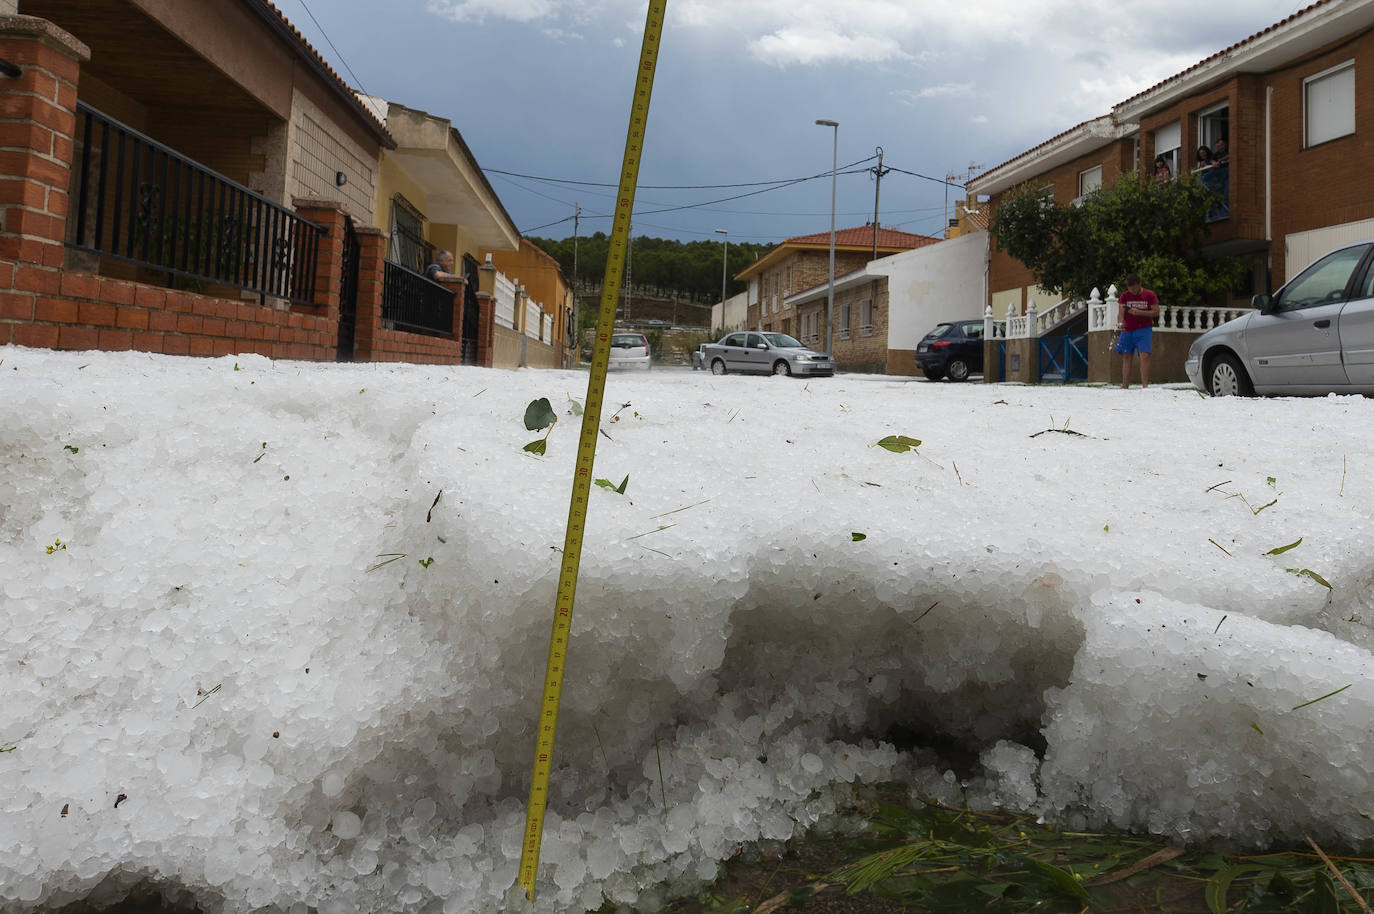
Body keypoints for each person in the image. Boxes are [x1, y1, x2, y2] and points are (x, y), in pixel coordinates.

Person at [1115, 273, 1160, 388]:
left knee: (1144, 355)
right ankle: (1125, 385)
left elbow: (1156, 312)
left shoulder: (1149, 295)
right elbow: (1121, 313)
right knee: (1126, 356)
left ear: (1139, 284)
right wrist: (1120, 322)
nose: (1132, 291)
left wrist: (1138, 312)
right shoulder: (1125, 296)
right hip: (1127, 330)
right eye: (1130, 289)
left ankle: (1145, 385)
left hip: (1144, 329)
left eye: (1134, 288)